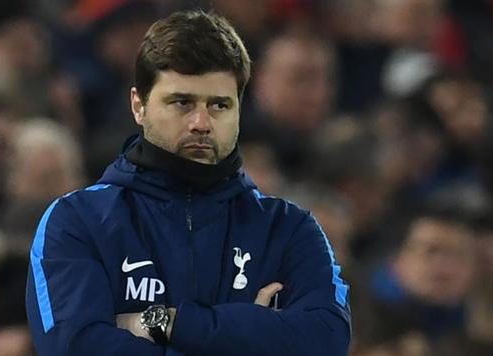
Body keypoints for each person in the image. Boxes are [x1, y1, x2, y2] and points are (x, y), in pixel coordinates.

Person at [25, 10, 351, 355]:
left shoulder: (289, 230)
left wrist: (165, 323)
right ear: (139, 105)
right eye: (182, 102)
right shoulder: (78, 221)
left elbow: (326, 340)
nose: (201, 123)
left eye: (219, 105)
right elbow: (77, 348)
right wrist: (252, 335)